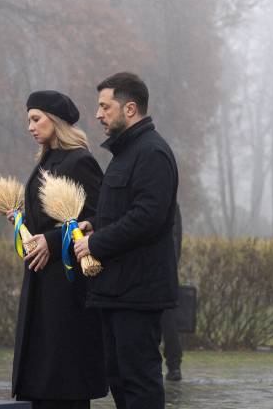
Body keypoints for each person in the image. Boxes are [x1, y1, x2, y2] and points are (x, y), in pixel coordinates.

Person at [73, 72, 179, 409]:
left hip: (138, 293)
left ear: (130, 108)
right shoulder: (126, 153)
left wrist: (96, 244)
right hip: (116, 290)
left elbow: (148, 217)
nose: (98, 114)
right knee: (119, 379)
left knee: (139, 384)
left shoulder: (152, 153)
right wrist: (94, 225)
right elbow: (125, 210)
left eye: (105, 106)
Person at [8, 91, 107, 409]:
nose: (30, 127)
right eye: (28, 120)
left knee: (63, 376)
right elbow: (45, 219)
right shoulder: (44, 162)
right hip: (41, 280)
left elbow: (98, 218)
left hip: (66, 285)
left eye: (36, 119)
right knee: (40, 376)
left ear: (55, 120)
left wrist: (50, 242)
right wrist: (21, 223)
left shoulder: (80, 161)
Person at [162, 204, 183, 381]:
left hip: (159, 271)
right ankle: (174, 365)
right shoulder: (172, 206)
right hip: (166, 271)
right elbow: (177, 241)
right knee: (168, 320)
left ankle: (174, 364)